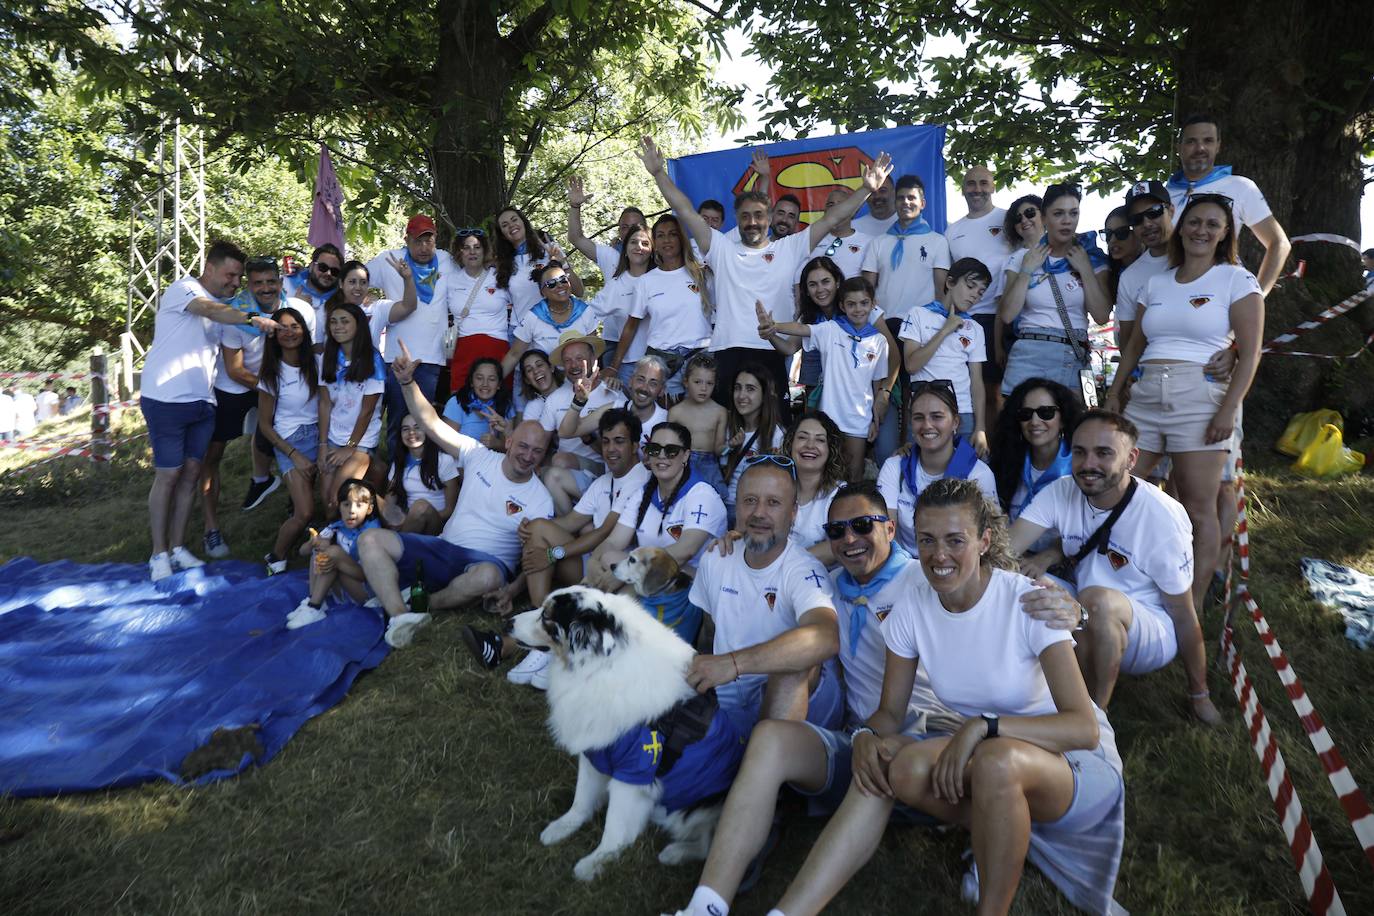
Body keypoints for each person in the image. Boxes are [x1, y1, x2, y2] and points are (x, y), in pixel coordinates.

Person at [769, 478, 1125, 916]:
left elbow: (1082, 728)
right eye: (927, 540)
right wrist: (863, 735)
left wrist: (984, 728)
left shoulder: (1028, 604)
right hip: (989, 753)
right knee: (899, 765)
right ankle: (1001, 830)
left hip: (1073, 766)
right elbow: (889, 713)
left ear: (983, 541)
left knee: (998, 762)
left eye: (955, 540)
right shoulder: (912, 609)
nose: (939, 555)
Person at [663, 482, 960, 916]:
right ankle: (705, 907)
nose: (850, 539)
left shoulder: (928, 579)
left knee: (881, 754)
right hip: (860, 738)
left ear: (891, 529)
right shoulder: (834, 584)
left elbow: (991, 590)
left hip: (931, 748)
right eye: (837, 532)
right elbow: (794, 558)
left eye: (862, 525)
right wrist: (742, 535)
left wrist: (1063, 602)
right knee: (774, 727)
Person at [637, 136, 893, 411]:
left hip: (773, 350)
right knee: (729, 432)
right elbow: (685, 210)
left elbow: (831, 218)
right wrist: (658, 173)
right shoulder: (720, 248)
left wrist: (866, 189)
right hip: (728, 350)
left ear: (769, 219)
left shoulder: (790, 247)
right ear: (737, 220)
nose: (752, 222)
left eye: (759, 215)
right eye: (745, 216)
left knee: (774, 429)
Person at [1009, 410, 1222, 724]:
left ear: (1131, 458)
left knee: (1098, 601)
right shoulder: (1062, 490)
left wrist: (1199, 694)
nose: (1089, 464)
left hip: (1150, 629)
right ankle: (1036, 690)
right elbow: (1005, 550)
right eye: (1080, 452)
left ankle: (1093, 717)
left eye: (1104, 453)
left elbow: (1183, 614)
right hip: (1084, 607)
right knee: (1024, 584)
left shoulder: (1162, 517)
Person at [1106, 194, 1263, 607]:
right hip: (1146, 395)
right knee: (1119, 487)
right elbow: (1135, 346)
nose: (1201, 230)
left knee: (1198, 505)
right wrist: (1113, 392)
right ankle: (1130, 581)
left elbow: (1250, 352)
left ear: (1226, 232)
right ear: (1182, 225)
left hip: (1201, 397)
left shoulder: (1236, 279)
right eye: (1195, 222)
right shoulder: (1155, 282)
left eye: (1213, 224)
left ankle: (1189, 608)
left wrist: (1228, 408)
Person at [358, 342, 555, 648]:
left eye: (537, 451)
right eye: (523, 446)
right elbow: (431, 424)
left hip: (486, 565)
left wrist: (512, 591)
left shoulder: (541, 498)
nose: (528, 456)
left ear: (543, 457)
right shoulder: (478, 455)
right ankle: (400, 616)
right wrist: (408, 383)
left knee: (488, 577)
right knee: (370, 540)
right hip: (443, 549)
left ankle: (425, 605)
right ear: (510, 440)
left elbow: (536, 557)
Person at [461, 408, 650, 688]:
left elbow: (604, 533)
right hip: (592, 565)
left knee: (543, 534)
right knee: (538, 528)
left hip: (615, 576)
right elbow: (570, 522)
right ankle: (543, 634)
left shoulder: (639, 479)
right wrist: (528, 527)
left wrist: (553, 553)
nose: (611, 449)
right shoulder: (604, 481)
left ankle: (527, 642)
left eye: (619, 441)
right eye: (607, 441)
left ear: (636, 446)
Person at [139, 241, 281, 581]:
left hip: (204, 401)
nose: (235, 283)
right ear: (210, 268)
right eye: (230, 275)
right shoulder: (184, 290)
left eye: (238, 277)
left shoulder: (224, 303)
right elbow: (214, 311)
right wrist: (253, 318)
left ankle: (178, 547)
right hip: (166, 398)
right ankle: (158, 554)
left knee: (191, 474)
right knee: (168, 474)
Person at [686, 457, 843, 731]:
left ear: (793, 512)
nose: (759, 513)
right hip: (728, 704)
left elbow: (826, 637)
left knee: (792, 668)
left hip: (800, 710)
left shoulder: (803, 569)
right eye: (749, 501)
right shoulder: (717, 557)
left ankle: (774, 765)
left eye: (773, 503)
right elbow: (711, 632)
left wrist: (734, 664)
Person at [199, 254, 320, 558]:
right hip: (238, 384)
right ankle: (211, 527)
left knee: (292, 431)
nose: (265, 288)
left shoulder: (300, 310)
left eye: (271, 281)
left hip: (278, 381)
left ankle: (277, 488)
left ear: (281, 282)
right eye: (258, 283)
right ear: (249, 286)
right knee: (213, 454)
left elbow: (309, 352)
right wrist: (273, 388)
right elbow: (236, 369)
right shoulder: (236, 313)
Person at [585, 421, 728, 642]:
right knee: (608, 558)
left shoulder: (701, 494)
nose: (662, 456)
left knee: (622, 588)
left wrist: (620, 574)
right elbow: (613, 542)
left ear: (686, 456)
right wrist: (593, 566)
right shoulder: (644, 493)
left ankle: (600, 636)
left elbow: (685, 551)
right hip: (649, 579)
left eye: (671, 451)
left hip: (690, 586)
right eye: (654, 449)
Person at [757, 277, 893, 481]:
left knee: (854, 474)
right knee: (827, 473)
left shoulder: (880, 341)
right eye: (851, 304)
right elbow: (802, 329)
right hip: (830, 416)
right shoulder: (831, 330)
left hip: (860, 419)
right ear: (842, 306)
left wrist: (875, 419)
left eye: (864, 303)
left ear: (873, 305)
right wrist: (774, 326)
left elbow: (876, 382)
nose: (858, 309)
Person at [998, 183, 1109, 399]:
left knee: (1079, 423)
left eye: (1073, 213)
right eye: (1058, 213)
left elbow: (1102, 316)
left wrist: (1086, 270)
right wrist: (1027, 271)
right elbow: (1007, 314)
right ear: (1044, 217)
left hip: (1075, 352)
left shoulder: (1092, 257)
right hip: (1028, 351)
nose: (1067, 220)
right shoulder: (1023, 258)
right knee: (1018, 425)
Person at [1167, 115, 1291, 295]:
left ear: (1218, 146)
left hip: (1220, 296)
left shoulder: (1240, 186)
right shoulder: (1162, 194)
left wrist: (1257, 296)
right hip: (1168, 294)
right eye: (1191, 141)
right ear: (1179, 148)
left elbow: (1279, 243)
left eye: (1208, 141)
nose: (1200, 148)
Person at [877, 381, 997, 553]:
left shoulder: (979, 474)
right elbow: (886, 536)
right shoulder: (894, 467)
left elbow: (990, 543)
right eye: (919, 417)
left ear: (955, 422)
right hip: (904, 568)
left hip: (958, 570)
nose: (927, 425)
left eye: (937, 417)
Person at [367, 215, 454, 449]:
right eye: (418, 241)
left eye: (429, 240)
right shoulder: (389, 260)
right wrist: (369, 298)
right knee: (397, 420)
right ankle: (396, 475)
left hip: (432, 357)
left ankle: (422, 472)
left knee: (425, 422)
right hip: (398, 358)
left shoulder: (446, 260)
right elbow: (358, 278)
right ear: (406, 240)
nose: (424, 247)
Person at [988, 378, 1082, 579]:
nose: (1035, 422)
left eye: (1046, 412)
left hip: (1064, 568)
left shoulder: (1080, 467)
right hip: (1011, 562)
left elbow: (1088, 528)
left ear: (1063, 418)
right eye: (1025, 414)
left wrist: (1048, 556)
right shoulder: (1006, 462)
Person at [613, 214, 714, 398]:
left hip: (701, 357)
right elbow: (631, 326)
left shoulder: (701, 274)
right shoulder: (646, 282)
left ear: (681, 238)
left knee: (702, 417)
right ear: (655, 244)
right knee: (668, 419)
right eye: (660, 235)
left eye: (672, 234)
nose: (667, 240)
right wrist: (613, 366)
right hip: (662, 362)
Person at [899, 257, 994, 450]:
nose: (974, 295)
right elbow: (911, 365)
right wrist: (945, 330)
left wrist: (981, 427)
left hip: (963, 413)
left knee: (961, 478)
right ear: (950, 282)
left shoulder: (974, 327)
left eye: (980, 292)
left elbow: (976, 382)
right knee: (919, 471)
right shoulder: (918, 314)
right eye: (970, 286)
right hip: (924, 410)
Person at [256, 306, 321, 576]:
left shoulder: (316, 361)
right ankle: (276, 555)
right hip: (289, 441)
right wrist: (294, 454)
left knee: (331, 501)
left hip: (321, 435)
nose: (289, 332)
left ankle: (325, 549)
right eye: (282, 327)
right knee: (304, 512)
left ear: (304, 330)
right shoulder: (271, 374)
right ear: (274, 334)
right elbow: (264, 426)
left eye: (295, 326)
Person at [567, 179, 653, 382]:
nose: (631, 232)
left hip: (654, 349)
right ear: (619, 231)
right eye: (625, 227)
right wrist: (574, 206)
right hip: (613, 341)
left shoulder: (659, 266)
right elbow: (576, 238)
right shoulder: (609, 255)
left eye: (636, 227)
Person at [946, 166, 1012, 426]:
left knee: (997, 395)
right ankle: (973, 454)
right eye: (971, 183)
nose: (977, 189)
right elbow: (948, 283)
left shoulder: (1009, 220)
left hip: (1000, 319)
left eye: (983, 183)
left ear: (993, 186)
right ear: (962, 189)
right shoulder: (952, 231)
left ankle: (997, 458)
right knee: (966, 394)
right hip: (963, 320)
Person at [534, 331, 622, 512]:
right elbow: (540, 442)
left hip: (603, 470)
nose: (573, 365)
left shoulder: (612, 395)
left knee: (559, 461)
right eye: (567, 360)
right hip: (567, 472)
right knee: (551, 466)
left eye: (579, 358)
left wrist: (589, 438)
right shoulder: (555, 399)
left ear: (593, 358)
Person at [318, 301, 387, 519]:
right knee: (327, 501)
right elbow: (325, 404)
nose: (338, 327)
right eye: (333, 322)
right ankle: (332, 538)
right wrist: (322, 445)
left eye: (344, 321)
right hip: (333, 437)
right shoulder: (327, 358)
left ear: (359, 326)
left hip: (360, 441)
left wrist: (350, 447)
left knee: (337, 497)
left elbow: (367, 411)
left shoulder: (373, 360)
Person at [286, 478, 382, 630]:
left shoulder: (372, 533)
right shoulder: (337, 527)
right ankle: (315, 601)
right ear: (339, 506)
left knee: (332, 553)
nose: (351, 511)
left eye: (359, 505)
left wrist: (334, 556)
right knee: (320, 550)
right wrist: (314, 542)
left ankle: (314, 606)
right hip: (343, 587)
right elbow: (302, 551)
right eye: (346, 505)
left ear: (369, 509)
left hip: (367, 592)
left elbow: (369, 575)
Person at [861, 174, 952, 327]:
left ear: (922, 203)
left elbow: (941, 290)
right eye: (901, 198)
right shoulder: (877, 242)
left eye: (911, 198)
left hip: (921, 324)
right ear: (895, 202)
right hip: (884, 323)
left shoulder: (938, 242)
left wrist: (938, 326)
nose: (906, 202)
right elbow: (866, 290)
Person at [499, 262, 600, 385]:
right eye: (551, 284)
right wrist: (494, 383)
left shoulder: (585, 311)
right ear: (543, 292)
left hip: (582, 382)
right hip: (549, 387)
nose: (560, 286)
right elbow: (514, 355)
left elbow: (593, 352)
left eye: (563, 280)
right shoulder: (534, 316)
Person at [445, 227, 513, 392]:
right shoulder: (449, 280)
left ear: (485, 250)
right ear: (459, 252)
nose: (472, 252)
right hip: (463, 348)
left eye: (477, 247)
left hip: (496, 347)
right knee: (460, 404)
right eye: (466, 248)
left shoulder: (500, 277)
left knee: (498, 406)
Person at [557, 354, 668, 450]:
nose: (644, 388)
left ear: (661, 390)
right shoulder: (615, 408)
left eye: (653, 383)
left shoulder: (666, 420)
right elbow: (565, 432)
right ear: (630, 381)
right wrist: (579, 401)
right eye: (640, 379)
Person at [720, 363, 787, 524]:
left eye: (750, 389)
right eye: (738, 388)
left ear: (764, 394)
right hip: (721, 507)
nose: (741, 395)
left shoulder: (776, 435)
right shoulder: (726, 426)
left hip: (752, 513)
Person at [493, 205, 582, 325]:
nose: (511, 225)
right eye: (504, 225)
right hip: (520, 330)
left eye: (514, 219)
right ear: (502, 234)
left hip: (555, 327)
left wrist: (562, 263)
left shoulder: (549, 249)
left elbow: (579, 291)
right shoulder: (502, 264)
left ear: (523, 222)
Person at [386, 413, 461, 535]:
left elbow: (450, 510)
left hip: (437, 523)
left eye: (417, 427)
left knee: (420, 506)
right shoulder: (399, 462)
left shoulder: (444, 461)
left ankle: (399, 543)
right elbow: (390, 497)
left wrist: (416, 518)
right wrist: (395, 518)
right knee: (369, 495)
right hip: (407, 519)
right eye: (406, 429)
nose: (411, 432)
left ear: (427, 431)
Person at [668, 353, 729, 498]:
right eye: (698, 382)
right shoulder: (675, 412)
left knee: (718, 498)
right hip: (683, 463)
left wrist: (730, 445)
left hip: (710, 464)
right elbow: (669, 444)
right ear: (686, 382)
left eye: (709, 383)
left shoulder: (720, 412)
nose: (703, 388)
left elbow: (719, 449)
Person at [797, 187, 871, 282]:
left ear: (852, 211)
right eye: (830, 205)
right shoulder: (812, 240)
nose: (835, 209)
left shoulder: (868, 242)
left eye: (841, 205)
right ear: (825, 211)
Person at [441, 357, 515, 445]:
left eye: (491, 379)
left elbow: (511, 450)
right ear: (471, 382)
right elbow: (446, 444)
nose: (485, 384)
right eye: (479, 378)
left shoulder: (506, 404)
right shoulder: (456, 402)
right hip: (460, 457)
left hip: (494, 458)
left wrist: (497, 444)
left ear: (499, 384)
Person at [283, 243, 343, 329]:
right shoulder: (286, 284)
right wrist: (294, 306)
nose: (328, 273)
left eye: (334, 271)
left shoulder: (340, 300)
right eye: (323, 267)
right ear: (311, 267)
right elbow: (258, 315)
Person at [1101, 205, 1141, 303]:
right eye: (1108, 234)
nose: (1113, 240)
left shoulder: (1159, 265)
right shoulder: (1106, 272)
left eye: (1121, 233)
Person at [851, 173, 898, 237]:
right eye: (871, 192)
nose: (877, 196)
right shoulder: (854, 227)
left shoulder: (909, 223)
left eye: (882, 191)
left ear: (894, 192)